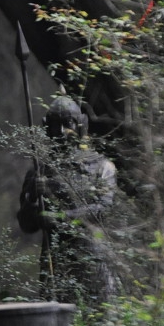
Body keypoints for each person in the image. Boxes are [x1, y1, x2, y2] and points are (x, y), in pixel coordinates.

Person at [17, 95, 118, 304]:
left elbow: (103, 209)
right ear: (47, 129)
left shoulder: (101, 166)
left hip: (92, 257)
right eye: (55, 126)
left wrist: (62, 217)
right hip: (55, 261)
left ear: (80, 125)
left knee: (99, 321)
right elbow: (26, 225)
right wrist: (32, 198)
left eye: (68, 124)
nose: (62, 132)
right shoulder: (39, 172)